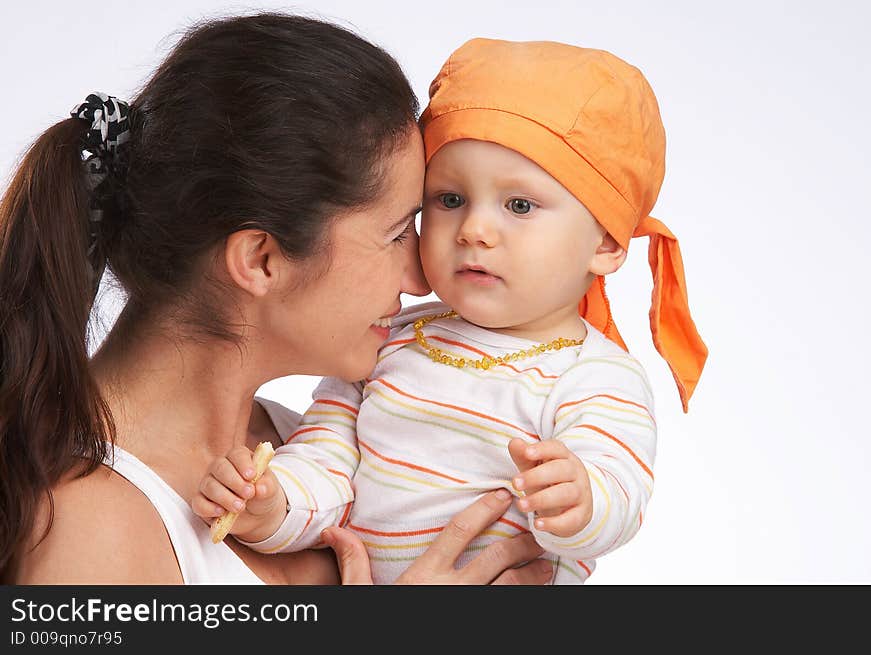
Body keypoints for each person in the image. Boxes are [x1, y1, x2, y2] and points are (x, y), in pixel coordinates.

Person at [0, 15, 554, 585]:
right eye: (395, 234)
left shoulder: (317, 451)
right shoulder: (89, 535)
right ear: (261, 260)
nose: (424, 277)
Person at [193, 38, 709, 584]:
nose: (474, 231)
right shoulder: (389, 338)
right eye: (450, 199)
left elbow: (620, 491)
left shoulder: (596, 374)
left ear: (605, 243)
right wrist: (273, 507)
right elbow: (327, 460)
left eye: (519, 206)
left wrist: (580, 497)